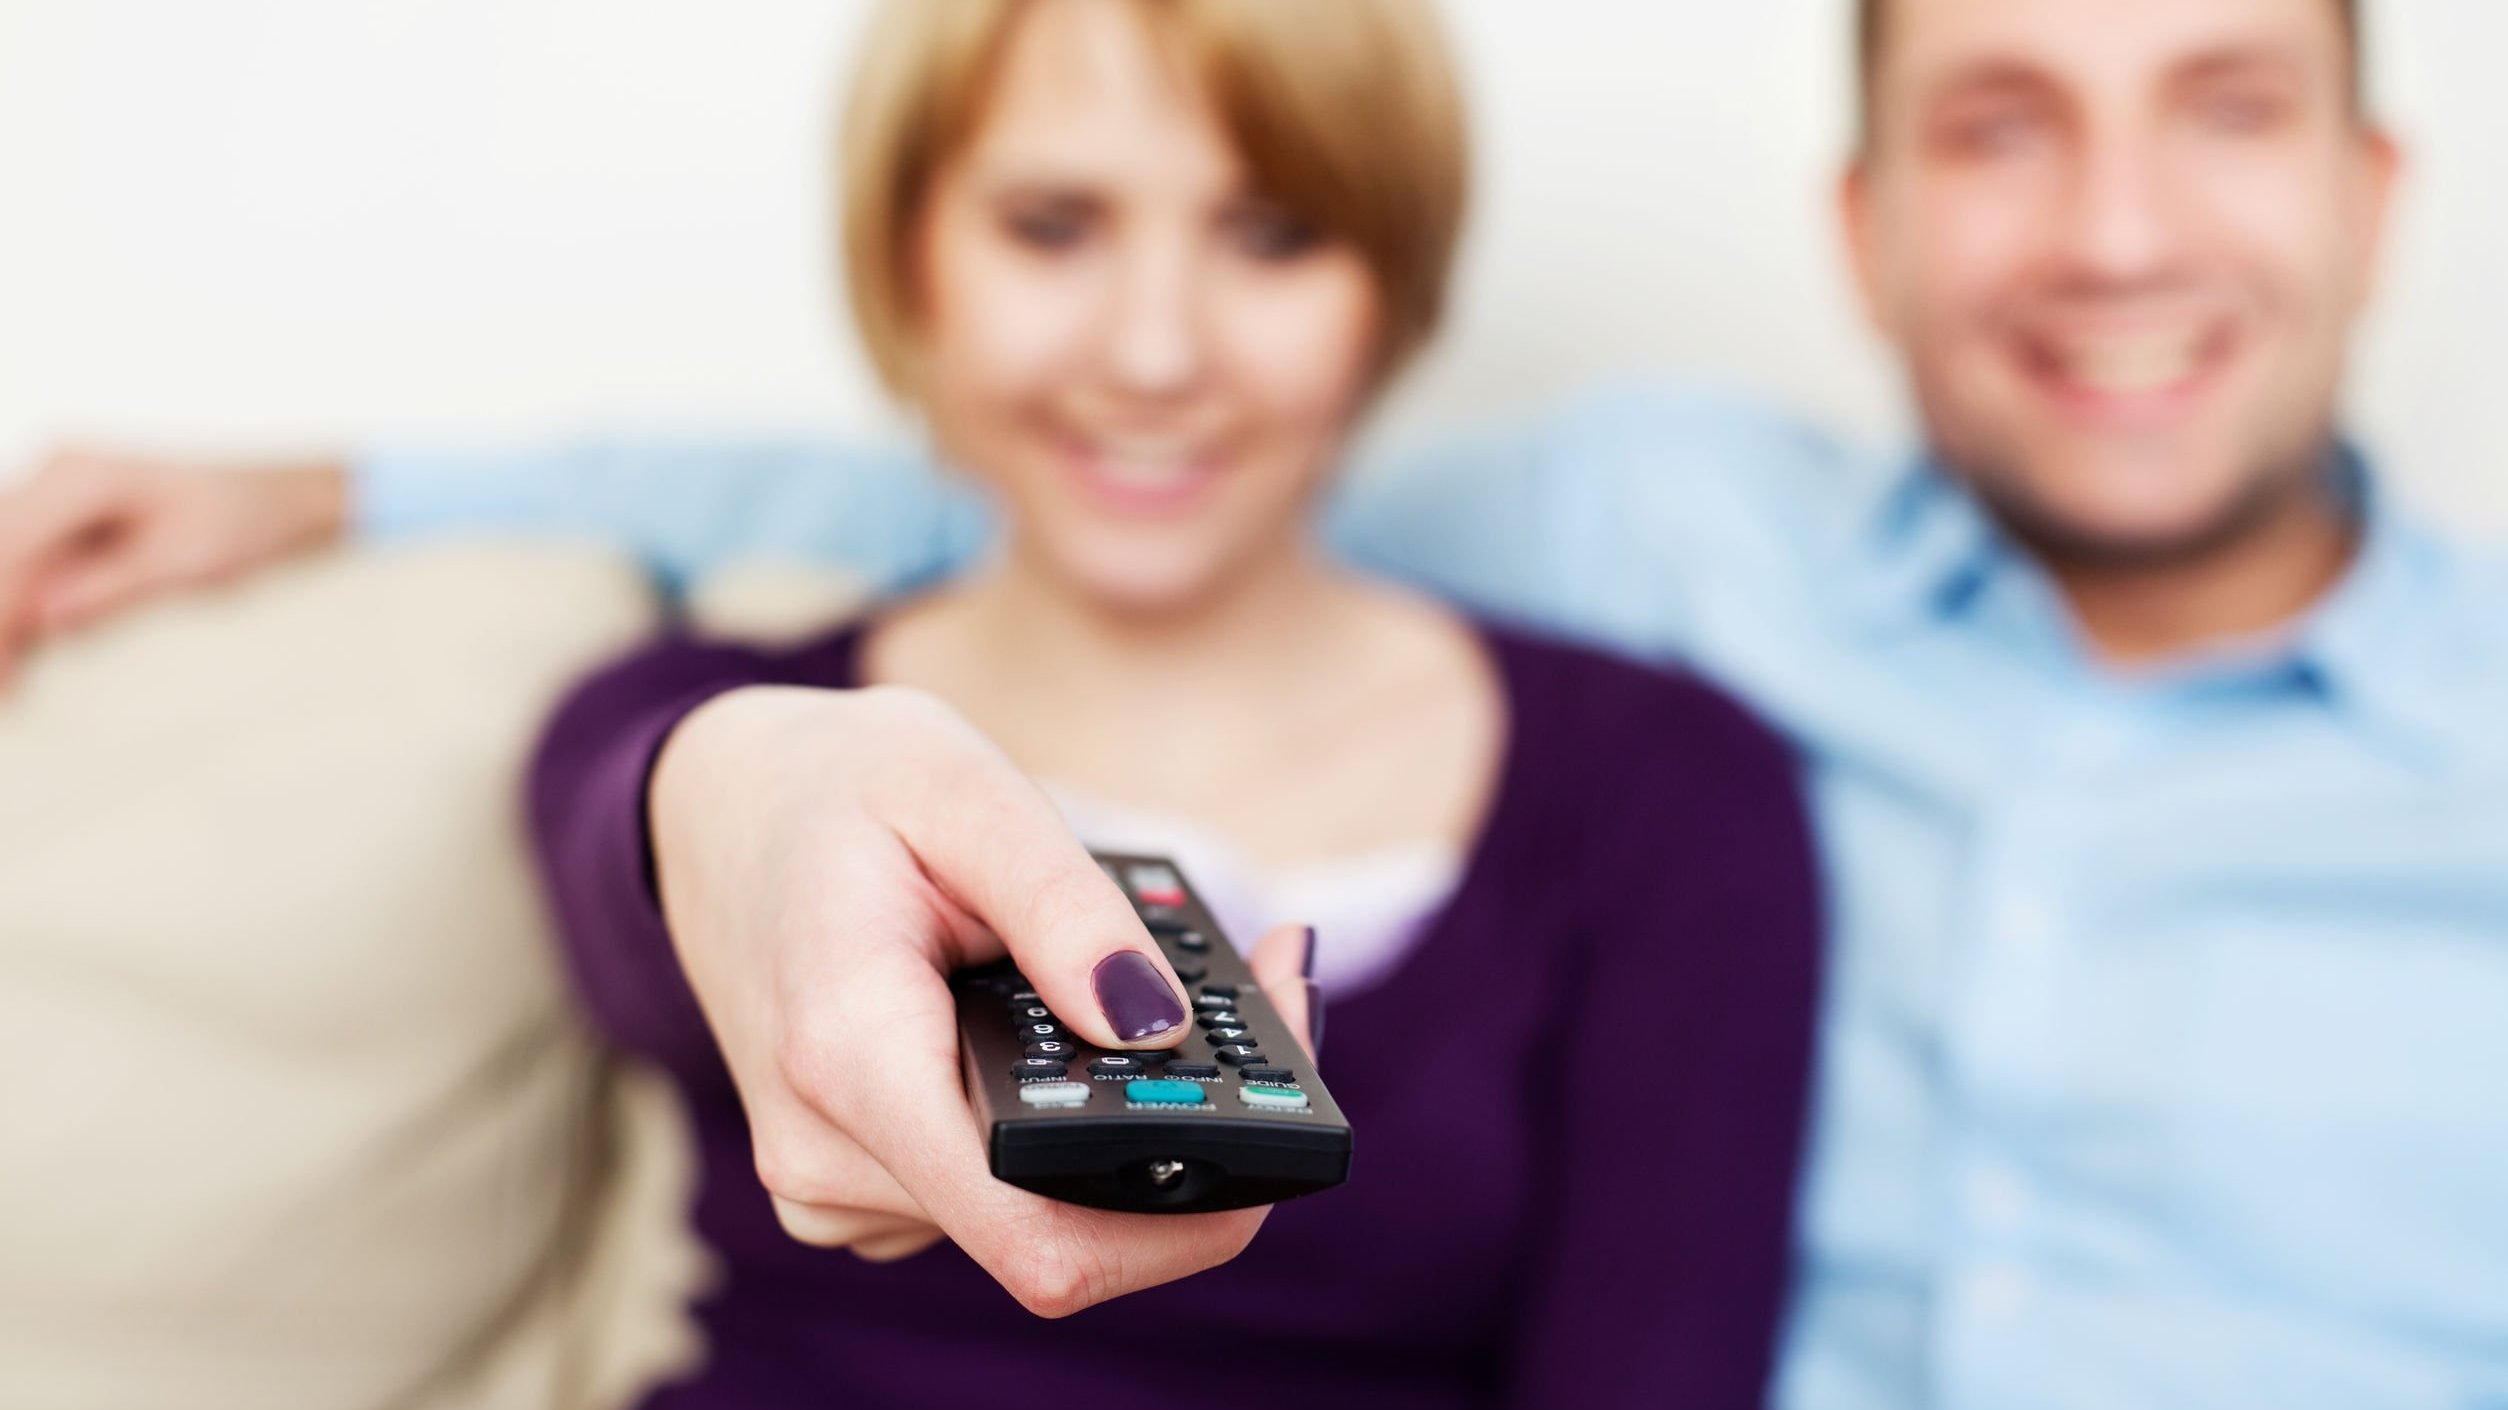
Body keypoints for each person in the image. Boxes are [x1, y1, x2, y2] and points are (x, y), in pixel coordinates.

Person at [6, 0, 2505, 1405]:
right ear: (1859, 230)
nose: (2118, 233)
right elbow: (990, 538)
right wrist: (379, 501)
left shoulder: (1646, 764)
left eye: (2226, 107)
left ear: (2379, 194)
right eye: (1998, 122)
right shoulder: (1687, 542)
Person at [529, 0, 1818, 1404]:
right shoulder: (701, 708)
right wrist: (728, 793)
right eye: (1053, 225)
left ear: (1389, 279)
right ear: (913, 260)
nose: (1155, 353)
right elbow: (618, 836)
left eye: (1273, 234)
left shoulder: (1668, 790)